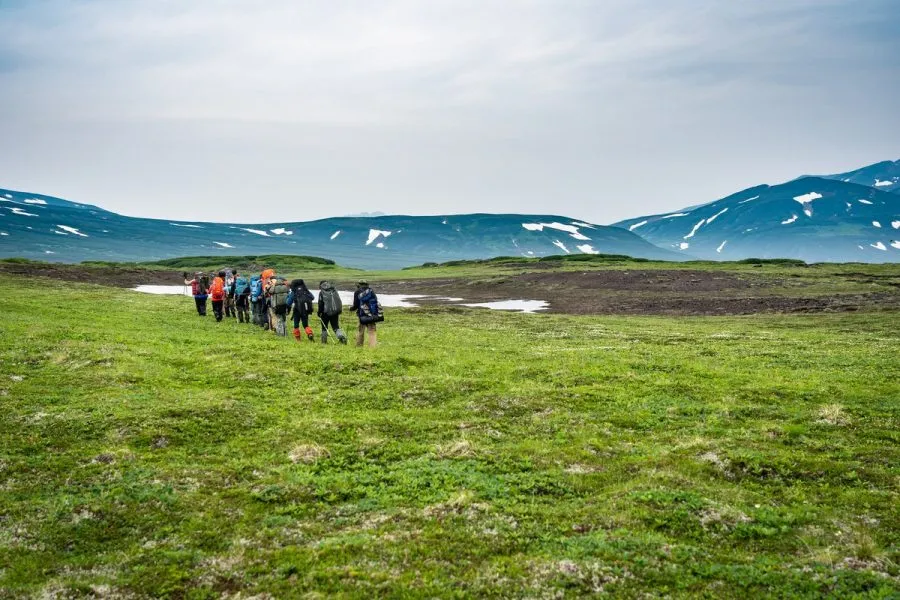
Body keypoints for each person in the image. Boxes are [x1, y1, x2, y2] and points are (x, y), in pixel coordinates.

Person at [351, 279, 382, 347]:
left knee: (360, 330)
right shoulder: (371, 291)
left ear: (359, 284)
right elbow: (375, 301)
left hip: (362, 314)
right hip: (372, 314)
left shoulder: (357, 292)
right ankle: (372, 346)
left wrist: (351, 309)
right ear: (367, 284)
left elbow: (356, 305)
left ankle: (359, 345)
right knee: (372, 330)